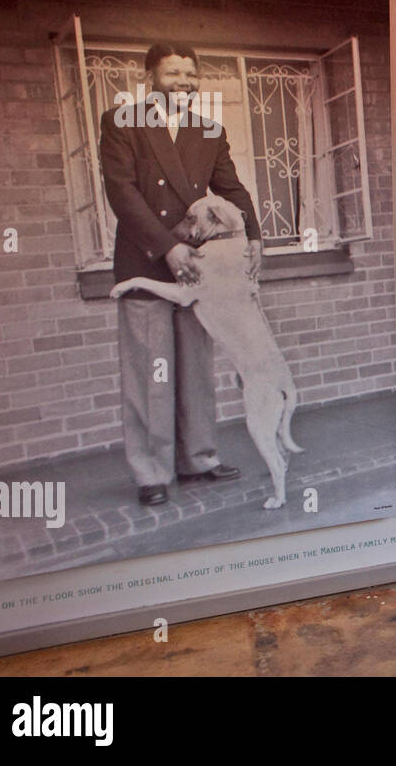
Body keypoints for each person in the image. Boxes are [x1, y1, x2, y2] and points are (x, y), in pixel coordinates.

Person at [99, 42, 260, 506]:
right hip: (145, 257)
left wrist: (254, 235)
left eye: (190, 75)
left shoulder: (209, 131)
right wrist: (167, 246)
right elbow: (122, 192)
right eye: (173, 74)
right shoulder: (121, 122)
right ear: (150, 76)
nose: (184, 83)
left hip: (197, 264)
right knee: (152, 369)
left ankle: (199, 460)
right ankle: (151, 472)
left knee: (194, 365)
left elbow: (230, 188)